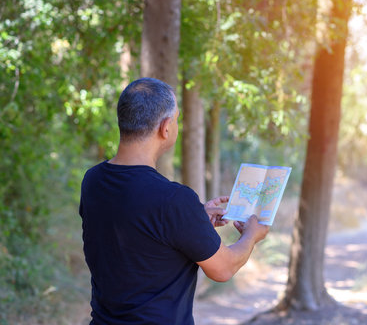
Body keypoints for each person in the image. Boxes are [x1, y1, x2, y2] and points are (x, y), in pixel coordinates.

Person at [79, 77, 269, 325]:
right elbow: (223, 269)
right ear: (165, 127)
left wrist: (194, 218)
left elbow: (136, 227)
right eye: (177, 119)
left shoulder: (93, 181)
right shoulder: (174, 201)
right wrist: (251, 236)